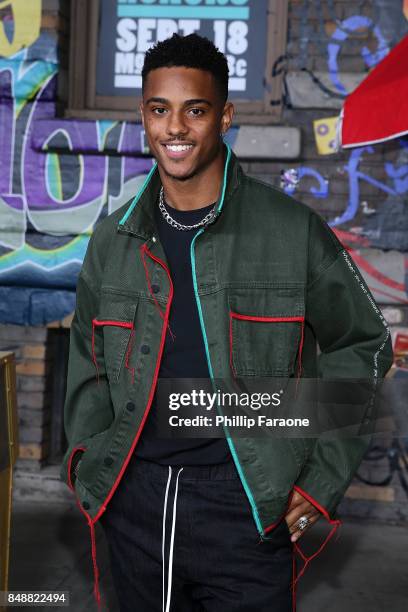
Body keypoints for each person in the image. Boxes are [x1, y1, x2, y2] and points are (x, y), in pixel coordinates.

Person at [60, 34, 393, 612]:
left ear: (225, 116)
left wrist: (318, 479)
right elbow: (87, 360)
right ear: (144, 116)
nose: (176, 129)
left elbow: (361, 343)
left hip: (247, 502)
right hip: (133, 497)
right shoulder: (113, 239)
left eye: (196, 109)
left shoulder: (292, 231)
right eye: (159, 110)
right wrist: (91, 462)